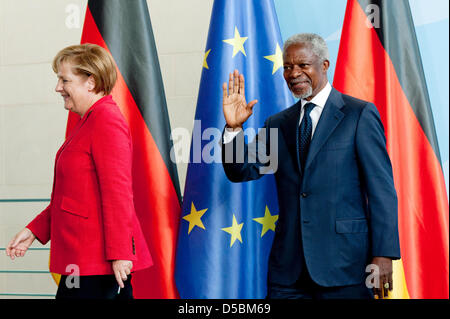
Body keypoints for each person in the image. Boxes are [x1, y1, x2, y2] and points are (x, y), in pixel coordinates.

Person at [221, 33, 400, 299]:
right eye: (288, 67)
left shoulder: (358, 114)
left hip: (345, 268)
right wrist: (234, 128)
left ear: (324, 65)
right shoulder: (277, 124)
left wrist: (384, 255)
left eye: (303, 65)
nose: (294, 73)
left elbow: (381, 191)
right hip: (288, 274)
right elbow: (240, 171)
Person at [5, 44, 152, 299]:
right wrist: (34, 230)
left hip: (98, 265)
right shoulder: (88, 121)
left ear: (91, 82)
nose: (58, 87)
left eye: (64, 80)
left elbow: (118, 193)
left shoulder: (106, 119)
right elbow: (72, 197)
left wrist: (120, 255)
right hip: (81, 261)